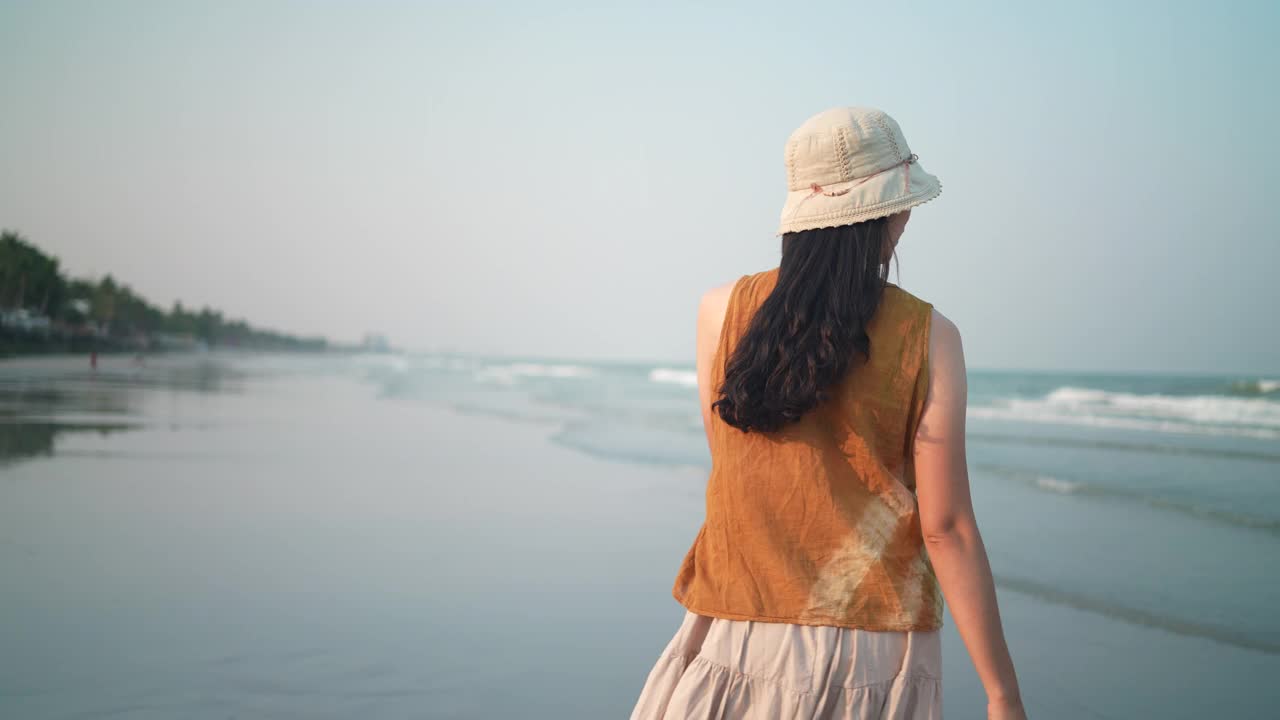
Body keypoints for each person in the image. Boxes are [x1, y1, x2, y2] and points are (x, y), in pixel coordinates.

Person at [629, 107, 1025, 719]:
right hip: (873, 654)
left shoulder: (720, 311)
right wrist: (1001, 695)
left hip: (732, 633)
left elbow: (734, 466)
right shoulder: (930, 335)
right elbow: (946, 529)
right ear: (890, 211)